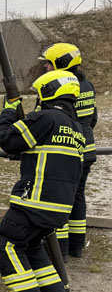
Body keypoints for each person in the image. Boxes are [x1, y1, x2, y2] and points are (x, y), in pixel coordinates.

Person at [0, 70, 84, 292]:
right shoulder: (77, 129)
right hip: (60, 206)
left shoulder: (45, 118)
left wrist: (9, 110)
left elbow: (8, 140)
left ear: (49, 92)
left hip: (35, 201)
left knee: (5, 243)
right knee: (30, 245)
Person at [38, 43, 97, 259]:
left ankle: (59, 250)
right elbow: (93, 118)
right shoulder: (87, 85)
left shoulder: (55, 87)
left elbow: (43, 118)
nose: (45, 66)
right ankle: (77, 246)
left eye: (48, 63)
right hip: (86, 148)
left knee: (59, 197)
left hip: (65, 151)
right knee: (78, 195)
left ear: (61, 63)